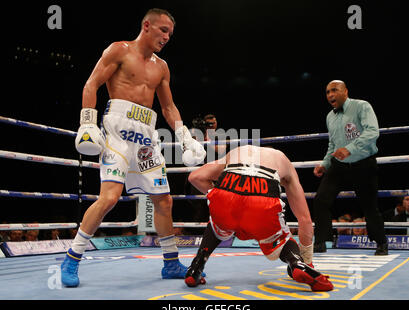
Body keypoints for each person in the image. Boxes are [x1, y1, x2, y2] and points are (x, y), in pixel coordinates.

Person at [61, 8, 206, 287]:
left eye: (170, 34)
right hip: (117, 131)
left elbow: (167, 106)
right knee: (110, 198)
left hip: (146, 136)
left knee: (164, 200)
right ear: (147, 25)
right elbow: (91, 84)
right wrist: (88, 122)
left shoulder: (161, 67)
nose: (166, 37)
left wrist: (185, 135)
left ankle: (171, 263)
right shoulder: (119, 50)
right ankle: (72, 257)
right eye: (163, 30)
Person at [184, 145, 333, 292]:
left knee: (217, 225)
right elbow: (304, 219)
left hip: (227, 189)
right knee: (283, 239)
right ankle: (297, 263)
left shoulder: (238, 151)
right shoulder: (284, 162)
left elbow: (195, 177)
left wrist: (218, 195)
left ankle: (195, 267)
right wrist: (307, 261)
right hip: (263, 197)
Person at [312, 80, 388, 255]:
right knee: (321, 200)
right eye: (327, 92)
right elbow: (333, 144)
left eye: (334, 90)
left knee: (369, 206)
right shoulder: (330, 117)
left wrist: (350, 149)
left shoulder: (361, 106)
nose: (330, 94)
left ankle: (381, 243)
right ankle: (321, 242)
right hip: (339, 166)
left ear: (345, 91)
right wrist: (325, 164)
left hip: (363, 164)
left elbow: (372, 131)